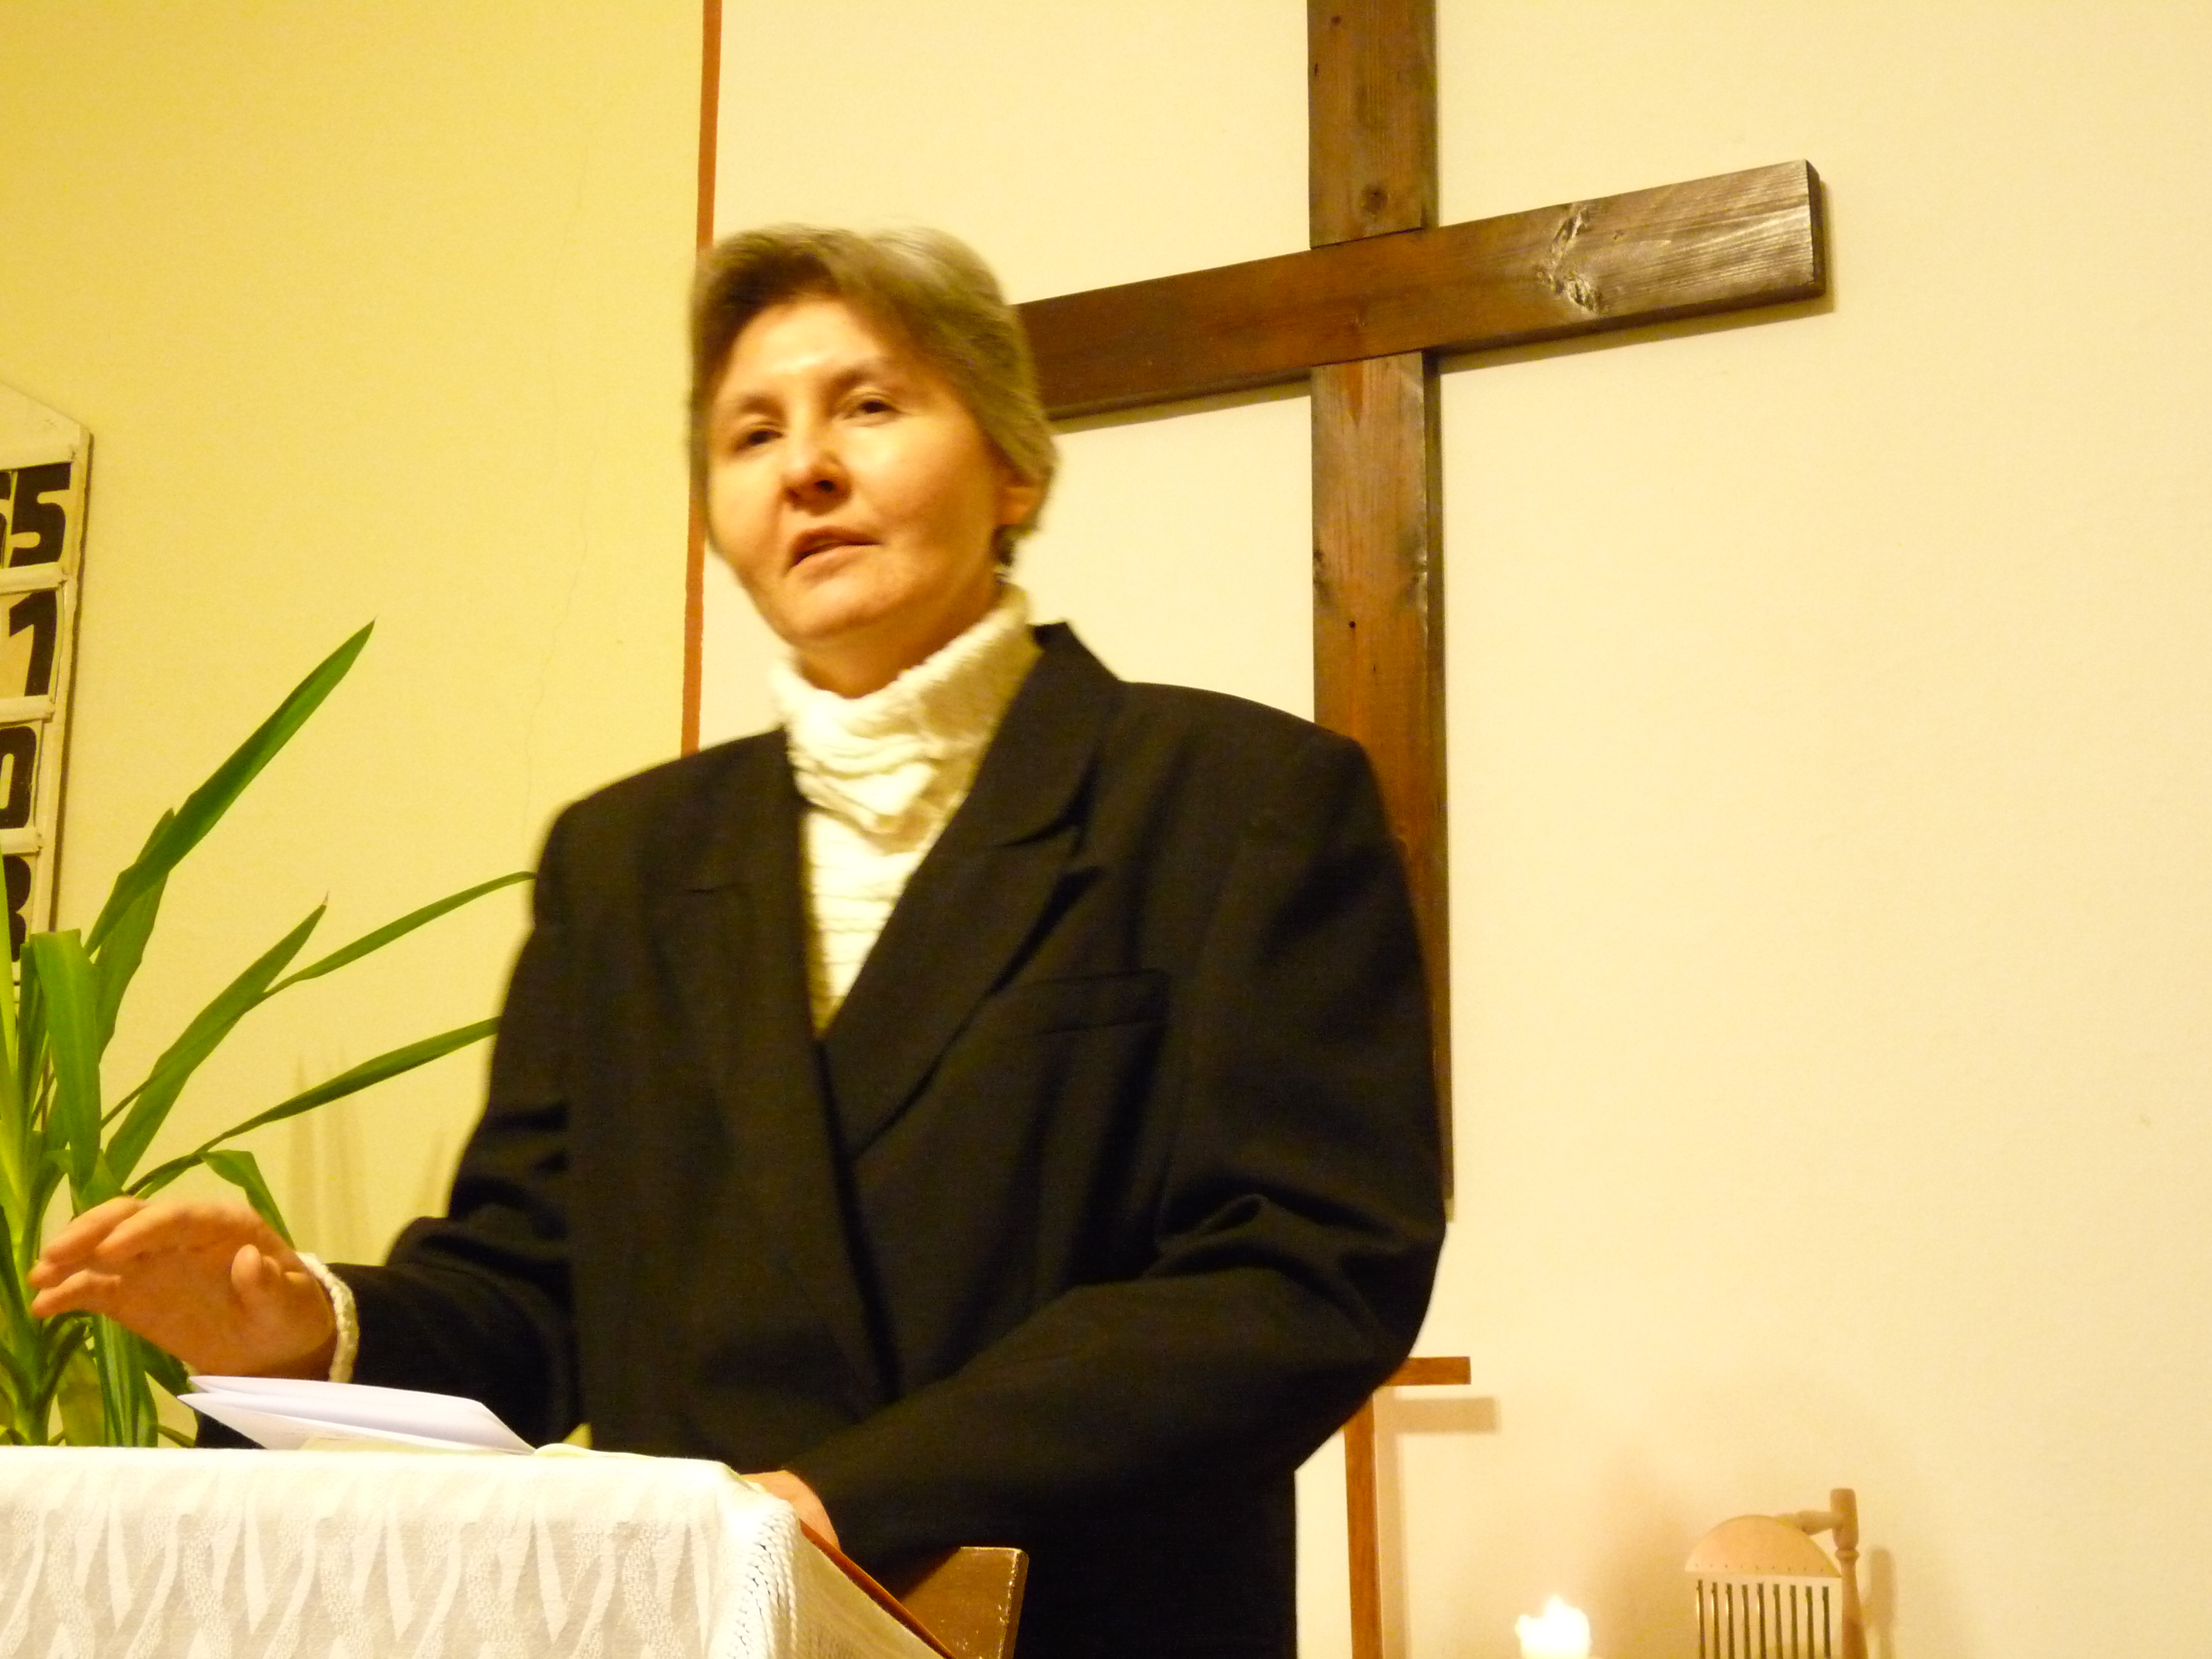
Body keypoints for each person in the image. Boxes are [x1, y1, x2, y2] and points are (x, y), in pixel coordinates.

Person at [33, 225, 1446, 1658]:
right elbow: (532, 1296)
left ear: (1016, 467)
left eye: (869, 406)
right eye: (750, 433)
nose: (805, 467)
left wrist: (841, 1503)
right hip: (695, 1635)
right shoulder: (625, 860)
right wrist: (304, 1329)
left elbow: (1301, 1273)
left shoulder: (1240, 801)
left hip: (1089, 1625)